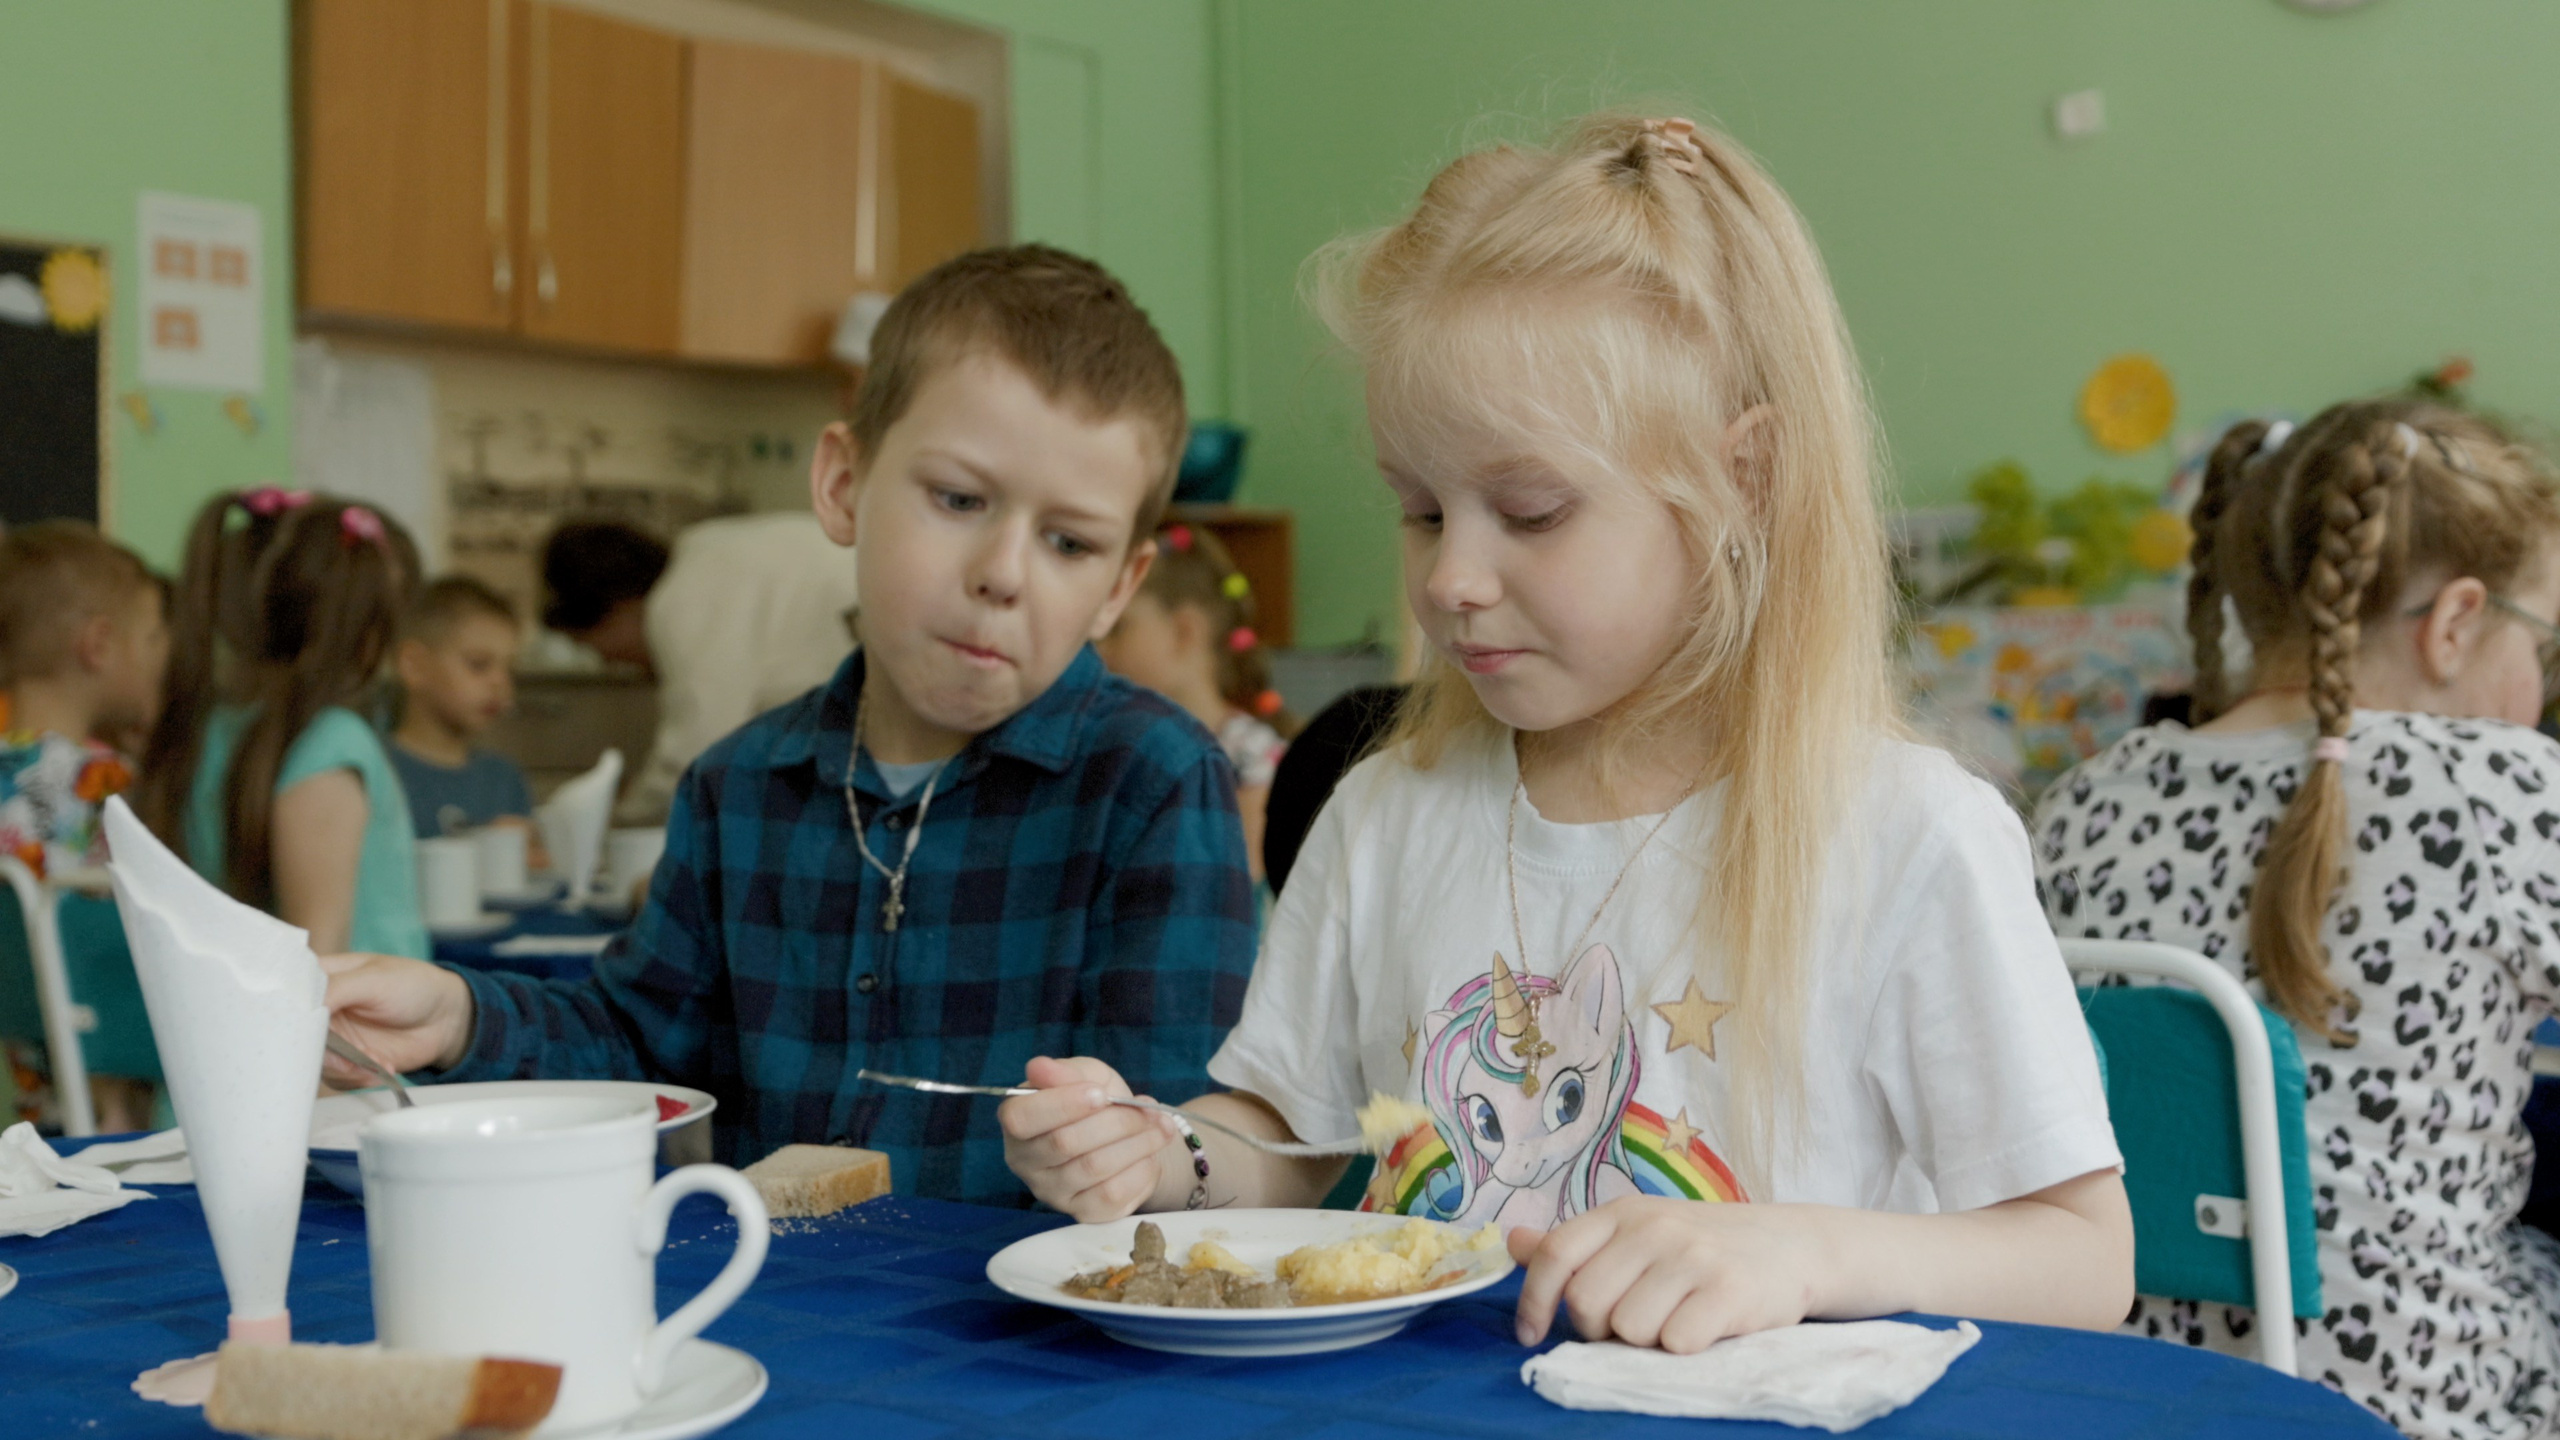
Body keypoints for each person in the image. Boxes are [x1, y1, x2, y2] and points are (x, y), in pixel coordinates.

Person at [999, 114, 2131, 1353]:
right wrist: (1158, 1156)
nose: (1451, 581)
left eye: (1529, 511)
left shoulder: (1908, 834)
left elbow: (2085, 1261)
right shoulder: (1388, 811)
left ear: (1742, 481)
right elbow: (1283, 1144)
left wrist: (1806, 1248)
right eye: (1423, 512)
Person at [322, 245, 1260, 1205]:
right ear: (843, 485)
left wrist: (1132, 1150)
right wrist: (459, 1016)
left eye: (1070, 542)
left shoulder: (1153, 780)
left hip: (1029, 1330)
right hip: (756, 1315)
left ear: (1120, 588)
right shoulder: (740, 786)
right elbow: (638, 1049)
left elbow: (1183, 1130)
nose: (1004, 572)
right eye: (959, 499)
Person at [2034, 400, 2560, 1440]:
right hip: (2415, 1396)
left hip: (2127, 1382)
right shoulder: (2505, 792)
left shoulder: (2082, 800)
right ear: (2454, 622)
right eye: (2543, 639)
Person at [133, 488, 428, 959]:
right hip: (354, 1029)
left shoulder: (206, 730)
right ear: (366, 624)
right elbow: (318, 962)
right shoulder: (332, 743)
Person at [0, 522, 168, 1131]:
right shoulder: (105, 785)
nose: (162, 659)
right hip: (121, 1118)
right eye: (151, 638)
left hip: (36, 1108)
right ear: (98, 646)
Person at [541, 509, 863, 825]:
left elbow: (697, 751)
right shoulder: (708, 557)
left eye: (594, 646)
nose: (610, 662)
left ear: (614, 609)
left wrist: (615, 822)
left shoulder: (683, 598)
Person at [1096, 522, 1294, 878]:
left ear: (1184, 631)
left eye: (1117, 629)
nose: (1100, 650)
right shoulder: (1120, 744)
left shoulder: (1250, 757)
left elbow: (1244, 888)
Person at [387, 575, 538, 846]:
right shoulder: (378, 771)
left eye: (510, 669)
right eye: (479, 664)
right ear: (413, 665)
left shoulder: (504, 779)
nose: (500, 683)